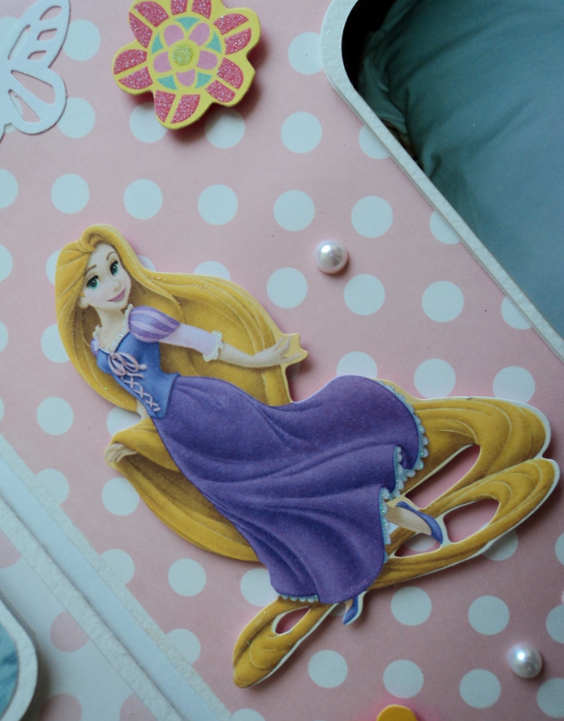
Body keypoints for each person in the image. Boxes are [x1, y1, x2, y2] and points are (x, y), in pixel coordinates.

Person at [56, 225, 442, 625]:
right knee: (252, 506)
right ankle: (346, 568)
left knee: (284, 478)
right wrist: (137, 438)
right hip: (178, 436)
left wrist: (260, 361)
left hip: (206, 410)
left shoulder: (143, 320)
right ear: (80, 298)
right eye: (95, 280)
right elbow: (140, 401)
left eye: (114, 267)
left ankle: (385, 521)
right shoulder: (99, 344)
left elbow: (203, 343)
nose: (113, 283)